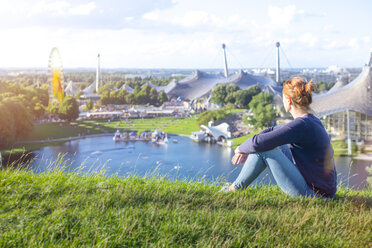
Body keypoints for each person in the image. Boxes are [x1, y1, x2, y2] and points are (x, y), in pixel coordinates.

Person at [221, 77, 337, 198]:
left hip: (315, 195)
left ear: (289, 101)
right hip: (322, 191)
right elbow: (272, 131)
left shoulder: (301, 125)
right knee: (271, 143)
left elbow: (258, 143)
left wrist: (240, 149)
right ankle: (236, 187)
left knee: (264, 149)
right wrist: (247, 148)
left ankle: (234, 189)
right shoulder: (310, 120)